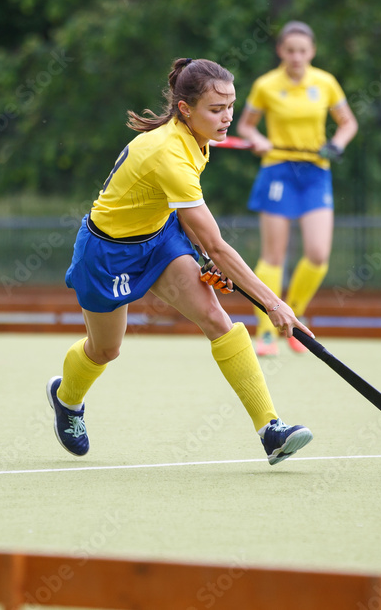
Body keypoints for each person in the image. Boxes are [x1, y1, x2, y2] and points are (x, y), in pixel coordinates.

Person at [48, 57, 314, 466]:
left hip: (159, 238)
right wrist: (274, 303)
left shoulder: (198, 138)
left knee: (215, 317)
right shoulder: (169, 153)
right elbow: (219, 245)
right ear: (185, 109)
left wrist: (200, 256)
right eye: (216, 109)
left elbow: (195, 230)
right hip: (106, 252)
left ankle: (271, 431)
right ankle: (66, 399)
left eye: (230, 107)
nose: (227, 118)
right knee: (105, 350)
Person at [236, 21, 358, 357]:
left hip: (316, 173)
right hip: (277, 171)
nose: (296, 57)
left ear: (312, 52)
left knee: (318, 255)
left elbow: (348, 123)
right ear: (280, 51)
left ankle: (294, 315)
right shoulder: (265, 85)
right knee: (274, 255)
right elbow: (245, 125)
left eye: (303, 51)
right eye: (290, 50)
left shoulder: (326, 82)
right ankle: (265, 332)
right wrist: (258, 139)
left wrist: (337, 143)